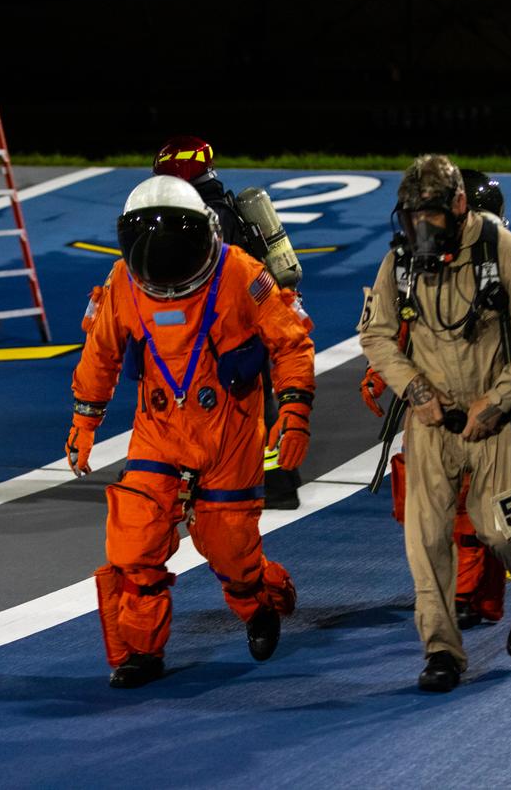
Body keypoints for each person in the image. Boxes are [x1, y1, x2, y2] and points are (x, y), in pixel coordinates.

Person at [67, 174, 315, 689]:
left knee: (229, 546)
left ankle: (260, 600)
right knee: (133, 543)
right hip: (159, 428)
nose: (164, 266)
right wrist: (84, 421)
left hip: (229, 429)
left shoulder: (243, 274)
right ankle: (140, 652)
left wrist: (294, 411)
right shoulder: (122, 283)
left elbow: (291, 342)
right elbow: (101, 353)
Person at [359, 154, 511, 692]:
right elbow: (376, 334)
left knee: (501, 528)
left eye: (429, 215)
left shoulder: (507, 252)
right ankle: (442, 652)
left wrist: (497, 400)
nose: (419, 228)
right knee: (425, 540)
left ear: (457, 205)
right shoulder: (399, 262)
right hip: (431, 422)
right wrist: (415, 391)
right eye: (410, 218)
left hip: (496, 421)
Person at [153, 136, 310, 510]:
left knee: (243, 404)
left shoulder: (208, 215)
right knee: (253, 402)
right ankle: (276, 480)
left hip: (232, 324)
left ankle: (277, 486)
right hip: (251, 317)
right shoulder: (221, 205)